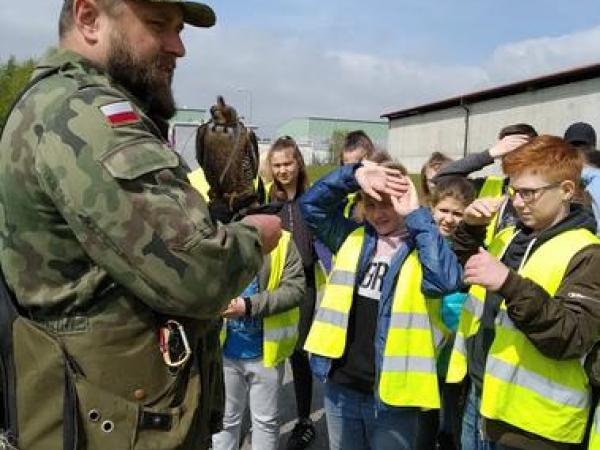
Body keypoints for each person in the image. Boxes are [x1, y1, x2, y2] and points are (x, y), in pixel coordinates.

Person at [0, 1, 282, 449]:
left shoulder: (47, 103)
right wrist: (255, 236)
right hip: (114, 422)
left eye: (179, 29)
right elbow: (198, 275)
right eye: (157, 25)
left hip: (99, 411)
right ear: (89, 18)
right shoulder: (86, 116)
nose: (179, 46)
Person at [448, 135, 600, 450]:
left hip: (535, 428)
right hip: (483, 399)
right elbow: (468, 266)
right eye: (513, 191)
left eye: (528, 193)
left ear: (566, 191)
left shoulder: (588, 252)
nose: (517, 202)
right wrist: (471, 227)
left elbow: (571, 335)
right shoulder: (511, 234)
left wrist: (509, 283)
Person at [300, 160, 463, 449]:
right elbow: (311, 206)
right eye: (371, 204)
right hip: (341, 386)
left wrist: (416, 214)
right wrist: (354, 175)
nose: (377, 213)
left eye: (387, 204)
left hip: (392, 394)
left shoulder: (424, 245)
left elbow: (444, 281)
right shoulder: (352, 237)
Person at [212, 230, 305, 450]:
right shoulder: (217, 233)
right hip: (225, 352)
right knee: (225, 420)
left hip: (266, 352)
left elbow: (295, 288)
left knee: (265, 421)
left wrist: (248, 306)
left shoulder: (282, 240)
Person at [265, 136, 320, 450]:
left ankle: (304, 420)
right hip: (272, 286)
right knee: (270, 355)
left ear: (298, 163)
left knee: (299, 353)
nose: (283, 170)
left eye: (288, 163)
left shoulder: (311, 200)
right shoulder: (264, 200)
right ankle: (266, 417)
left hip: (305, 286)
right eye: (277, 165)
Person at [428, 177, 476, 450]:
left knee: (453, 422)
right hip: (429, 343)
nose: (449, 219)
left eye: (458, 213)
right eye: (443, 211)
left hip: (458, 346)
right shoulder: (424, 244)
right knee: (426, 418)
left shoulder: (472, 248)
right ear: (432, 208)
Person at [433, 124, 535, 244]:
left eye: (520, 151)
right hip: (476, 257)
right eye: (507, 150)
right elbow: (442, 179)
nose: (514, 157)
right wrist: (489, 154)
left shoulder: (541, 194)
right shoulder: (488, 184)